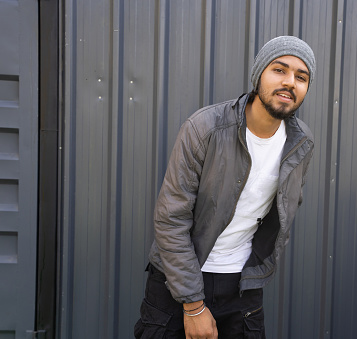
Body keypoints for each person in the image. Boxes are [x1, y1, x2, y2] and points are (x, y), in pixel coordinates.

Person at [134, 35, 316, 339]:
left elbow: (283, 213)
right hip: (176, 284)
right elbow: (170, 219)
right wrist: (193, 305)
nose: (290, 82)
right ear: (259, 75)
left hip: (243, 286)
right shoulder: (204, 128)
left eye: (302, 76)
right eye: (279, 70)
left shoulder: (301, 144)